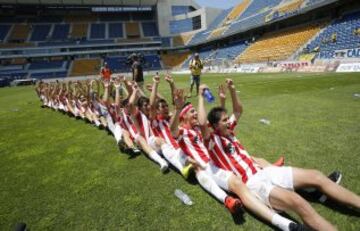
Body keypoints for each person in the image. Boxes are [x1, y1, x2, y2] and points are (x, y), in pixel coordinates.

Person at [205, 79, 360, 231]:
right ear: (214, 127)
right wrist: (200, 96)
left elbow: (238, 110)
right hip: (253, 183)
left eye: (227, 119)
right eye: (224, 120)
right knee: (298, 202)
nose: (228, 122)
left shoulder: (229, 131)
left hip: (263, 171)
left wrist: (232, 90)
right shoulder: (213, 142)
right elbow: (203, 125)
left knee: (317, 176)